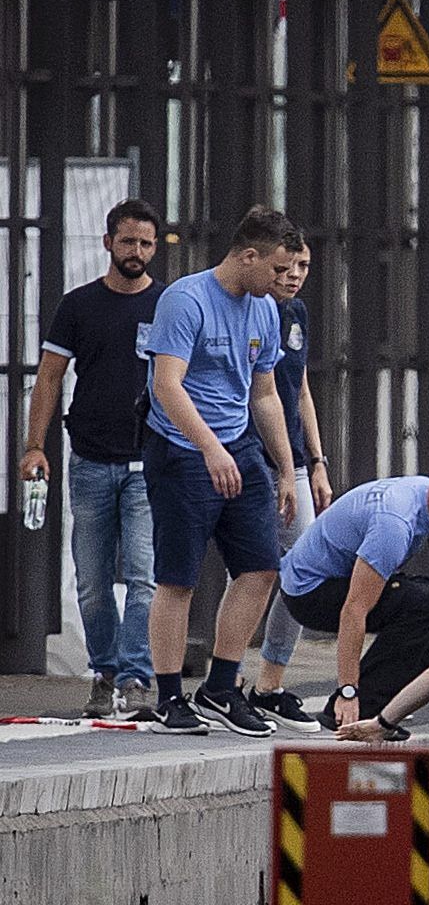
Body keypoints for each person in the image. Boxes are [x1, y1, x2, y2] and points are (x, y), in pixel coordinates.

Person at [142, 205, 300, 737]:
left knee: (262, 567)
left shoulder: (264, 310)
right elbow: (168, 385)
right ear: (248, 256)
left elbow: (265, 393)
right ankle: (168, 696)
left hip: (241, 446)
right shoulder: (185, 299)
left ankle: (221, 686)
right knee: (178, 577)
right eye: (277, 271)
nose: (285, 281)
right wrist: (209, 448)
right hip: (183, 449)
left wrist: (285, 466)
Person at [16, 198, 164, 719]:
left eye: (146, 243)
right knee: (93, 579)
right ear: (108, 243)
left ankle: (137, 677)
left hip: (150, 461)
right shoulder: (78, 305)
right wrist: (35, 446)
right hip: (90, 459)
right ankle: (104, 673)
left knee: (145, 575)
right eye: (128, 241)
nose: (137, 252)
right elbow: (50, 377)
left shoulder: (167, 305)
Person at [274, 456, 429, 733]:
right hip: (309, 593)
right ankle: (360, 711)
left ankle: (393, 705)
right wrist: (347, 691)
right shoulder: (394, 522)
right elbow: (354, 610)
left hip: (334, 579)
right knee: (426, 606)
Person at [249, 239, 335, 727]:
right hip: (250, 455)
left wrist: (317, 461)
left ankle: (270, 681)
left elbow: (300, 388)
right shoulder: (249, 308)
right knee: (249, 570)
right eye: (284, 266)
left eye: (303, 265)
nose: (294, 275)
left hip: (295, 460)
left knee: (302, 569)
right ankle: (226, 682)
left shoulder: (296, 312)